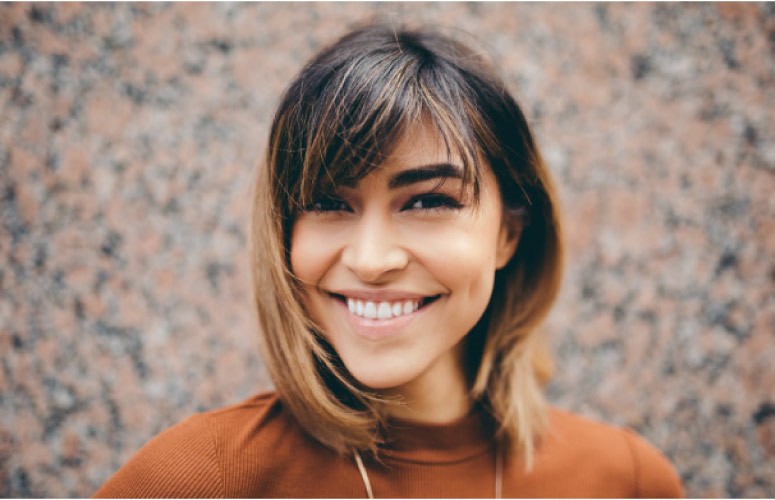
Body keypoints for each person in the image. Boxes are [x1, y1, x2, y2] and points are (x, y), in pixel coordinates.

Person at [93, 24, 683, 498]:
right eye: (328, 202)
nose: (372, 260)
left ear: (507, 233)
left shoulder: (626, 482)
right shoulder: (201, 479)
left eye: (428, 201)